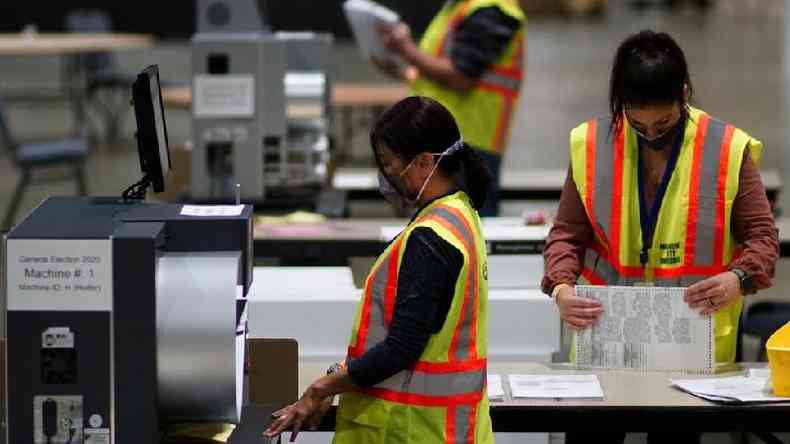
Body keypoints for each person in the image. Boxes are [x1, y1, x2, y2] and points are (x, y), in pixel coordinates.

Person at [541, 30, 778, 444]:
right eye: (638, 122)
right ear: (621, 104)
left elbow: (762, 238)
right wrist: (561, 286)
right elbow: (566, 233)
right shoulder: (591, 144)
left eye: (664, 123)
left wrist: (737, 279)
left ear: (684, 94)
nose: (651, 133)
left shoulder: (726, 149)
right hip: (606, 337)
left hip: (687, 342)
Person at [264, 96, 494, 443]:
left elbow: (402, 347)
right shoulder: (462, 214)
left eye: (389, 164)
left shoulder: (430, 239)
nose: (386, 176)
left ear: (424, 162)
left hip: (408, 429)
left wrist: (321, 388)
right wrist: (340, 375)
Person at [374, 0, 526, 216]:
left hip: (468, 145)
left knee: (460, 233)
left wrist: (406, 49)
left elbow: (461, 77)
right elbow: (433, 76)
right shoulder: (457, 7)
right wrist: (395, 66)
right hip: (441, 141)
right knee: (436, 228)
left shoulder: (490, 11)